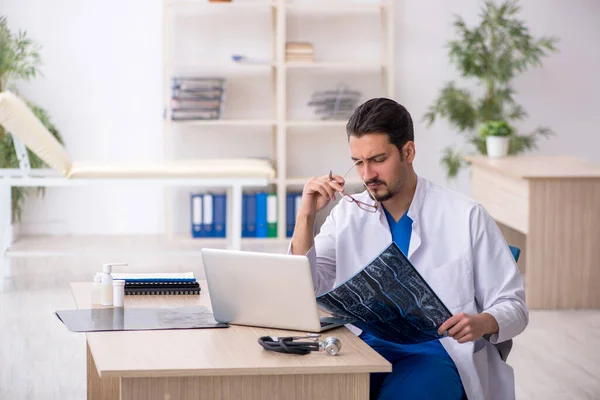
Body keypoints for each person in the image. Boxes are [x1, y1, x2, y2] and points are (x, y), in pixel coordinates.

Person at [290, 98, 528, 400]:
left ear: (408, 152)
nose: (366, 175)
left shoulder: (466, 215)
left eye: (377, 159)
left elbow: (514, 306)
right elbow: (306, 285)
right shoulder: (348, 214)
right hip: (361, 348)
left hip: (435, 355)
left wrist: (483, 322)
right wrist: (307, 214)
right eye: (358, 162)